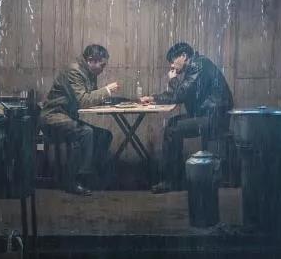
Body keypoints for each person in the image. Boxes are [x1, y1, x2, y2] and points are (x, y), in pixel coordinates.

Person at [140, 42, 233, 193]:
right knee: (173, 124)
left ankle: (171, 181)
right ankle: (174, 178)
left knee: (172, 129)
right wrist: (153, 98)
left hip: (214, 118)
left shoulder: (198, 66)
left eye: (172, 61)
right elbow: (181, 93)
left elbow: (180, 94)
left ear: (183, 56)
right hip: (209, 114)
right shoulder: (197, 65)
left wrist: (172, 80)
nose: (171, 65)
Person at [40, 44, 119, 195]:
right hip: (53, 117)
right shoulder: (75, 71)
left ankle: (90, 174)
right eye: (102, 65)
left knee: (104, 136)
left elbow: (90, 96)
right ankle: (74, 180)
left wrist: (107, 99)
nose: (103, 69)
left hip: (66, 116)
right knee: (85, 133)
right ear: (91, 60)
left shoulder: (89, 72)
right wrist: (107, 90)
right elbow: (83, 100)